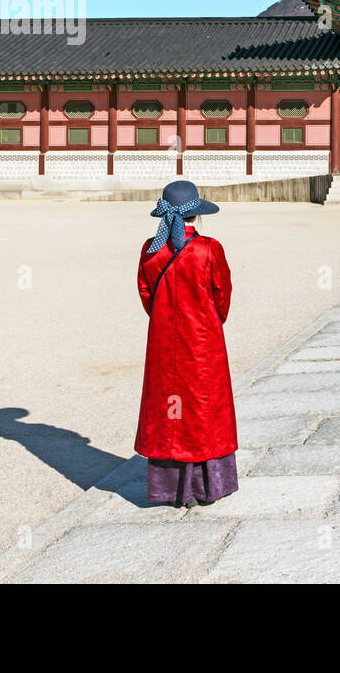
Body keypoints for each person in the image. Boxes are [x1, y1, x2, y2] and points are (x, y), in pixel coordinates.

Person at [136, 180, 238, 507]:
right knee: (205, 408)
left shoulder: (151, 250)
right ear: (197, 214)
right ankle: (208, 486)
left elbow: (146, 295)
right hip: (203, 341)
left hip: (163, 342)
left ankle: (170, 488)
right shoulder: (209, 249)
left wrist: (166, 319)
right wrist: (209, 321)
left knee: (170, 409)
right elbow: (222, 295)